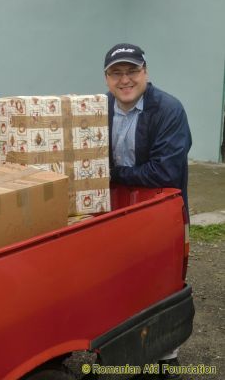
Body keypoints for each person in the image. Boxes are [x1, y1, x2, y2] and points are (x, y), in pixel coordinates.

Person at [104, 43, 192, 380]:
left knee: (164, 282)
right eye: (116, 73)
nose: (125, 80)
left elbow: (165, 173)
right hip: (116, 214)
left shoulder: (169, 110)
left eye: (132, 71)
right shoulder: (98, 109)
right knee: (120, 277)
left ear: (146, 72)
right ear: (107, 78)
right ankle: (122, 351)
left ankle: (166, 357)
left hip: (161, 214)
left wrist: (110, 175)